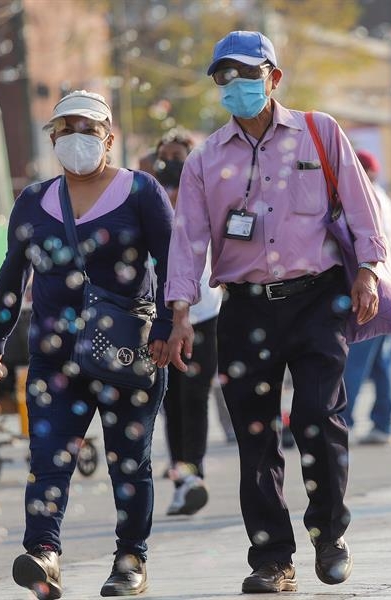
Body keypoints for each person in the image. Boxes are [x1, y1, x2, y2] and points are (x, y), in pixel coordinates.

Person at [165, 31, 387, 594]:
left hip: (318, 299)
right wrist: (181, 311)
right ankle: (271, 558)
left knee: (316, 416)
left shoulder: (321, 132)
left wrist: (368, 269)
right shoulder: (204, 160)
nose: (234, 85)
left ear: (274, 77)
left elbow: (361, 209)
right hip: (244, 309)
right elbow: (187, 241)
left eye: (245, 73)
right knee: (255, 436)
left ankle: (329, 534)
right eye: (223, 77)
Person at [0, 90, 173, 598]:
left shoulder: (141, 192)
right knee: (48, 457)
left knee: (129, 459)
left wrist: (172, 327)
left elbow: (175, 264)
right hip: (53, 355)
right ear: (52, 139)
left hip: (128, 353)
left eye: (87, 128)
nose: (75, 138)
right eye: (64, 129)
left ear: (110, 136)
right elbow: (12, 274)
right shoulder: (33, 201)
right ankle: (44, 554)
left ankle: (131, 559)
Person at [153, 129, 223, 516]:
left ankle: (193, 474)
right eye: (166, 155)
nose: (172, 161)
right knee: (171, 402)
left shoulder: (210, 193)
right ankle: (182, 475)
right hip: (163, 316)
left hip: (204, 314)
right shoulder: (153, 197)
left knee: (194, 398)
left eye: (179, 154)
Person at [340, 149, 391, 446]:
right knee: (381, 363)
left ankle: (345, 419)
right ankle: (383, 422)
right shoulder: (382, 197)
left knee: (355, 359)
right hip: (386, 284)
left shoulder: (366, 197)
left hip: (371, 284)